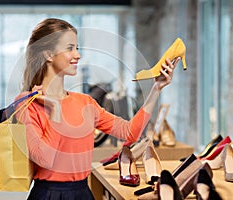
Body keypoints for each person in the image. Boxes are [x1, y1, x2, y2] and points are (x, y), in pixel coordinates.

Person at [16, 18, 181, 200]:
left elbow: (129, 133)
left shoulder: (85, 102)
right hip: (47, 195)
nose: (77, 55)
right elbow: (44, 159)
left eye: (77, 48)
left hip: (83, 193)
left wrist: (156, 88)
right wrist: (55, 110)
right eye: (70, 48)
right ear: (48, 54)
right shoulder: (27, 103)